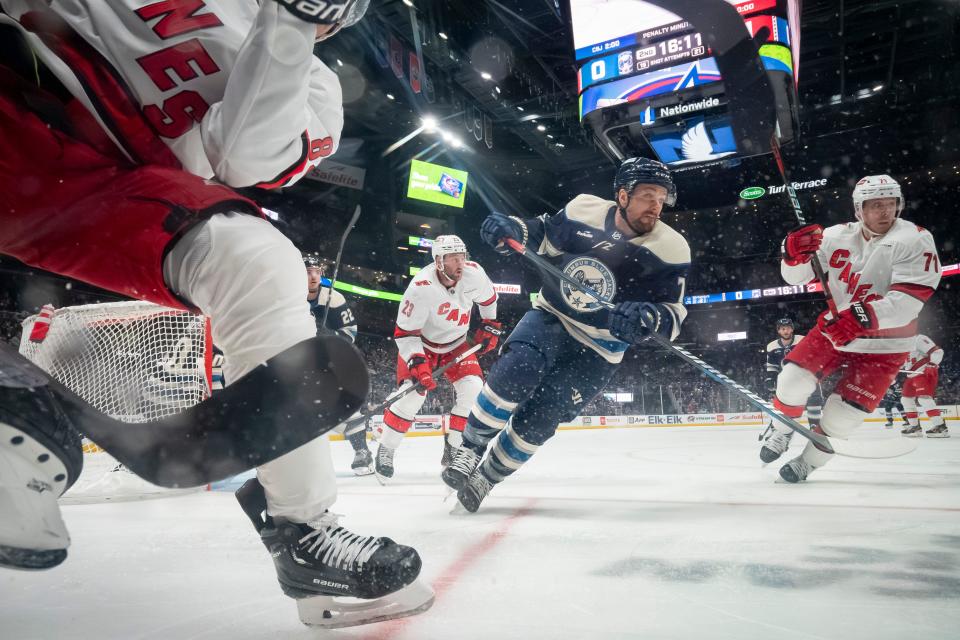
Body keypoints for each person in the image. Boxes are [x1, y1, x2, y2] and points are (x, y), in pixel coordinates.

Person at [0, 0, 431, 625]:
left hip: (98, 178)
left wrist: (291, 21)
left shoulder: (316, 85)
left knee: (255, 260)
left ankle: (302, 532)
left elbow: (234, 160)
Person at [442, 157, 690, 512]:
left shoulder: (672, 247)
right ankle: (469, 450)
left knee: (544, 416)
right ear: (622, 195)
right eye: (647, 195)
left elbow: (674, 314)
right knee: (517, 369)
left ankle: (487, 478)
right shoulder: (583, 210)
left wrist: (647, 317)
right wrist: (513, 229)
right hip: (553, 314)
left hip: (602, 347)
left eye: (661, 197)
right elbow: (541, 234)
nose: (656, 205)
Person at [758, 175, 941, 482]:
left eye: (890, 204)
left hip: (886, 344)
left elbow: (909, 301)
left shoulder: (916, 238)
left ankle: (808, 462)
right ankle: (781, 430)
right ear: (859, 209)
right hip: (836, 330)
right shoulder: (834, 235)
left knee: (842, 419)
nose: (885, 211)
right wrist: (791, 254)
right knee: (790, 382)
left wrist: (859, 316)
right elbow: (796, 277)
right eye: (875, 205)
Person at [375, 235, 501, 483]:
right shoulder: (421, 287)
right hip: (422, 345)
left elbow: (489, 299)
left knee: (474, 391)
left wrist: (490, 324)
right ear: (438, 261)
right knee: (413, 395)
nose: (460, 263)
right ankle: (386, 448)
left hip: (456, 345)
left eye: (462, 256)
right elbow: (405, 334)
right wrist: (417, 363)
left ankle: (453, 449)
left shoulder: (474, 273)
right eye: (453, 258)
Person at [303, 252, 374, 474]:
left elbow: (350, 333)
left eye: (316, 272)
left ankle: (362, 451)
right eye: (307, 273)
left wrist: (330, 334)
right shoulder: (288, 299)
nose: (313, 277)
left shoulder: (334, 298)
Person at [757, 317, 823, 463]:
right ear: (778, 330)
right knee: (784, 406)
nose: (785, 330)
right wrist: (770, 378)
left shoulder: (802, 340)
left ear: (792, 329)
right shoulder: (772, 346)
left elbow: (814, 354)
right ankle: (781, 432)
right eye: (782, 328)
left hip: (806, 375)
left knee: (814, 398)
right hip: (787, 381)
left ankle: (815, 427)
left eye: (787, 328)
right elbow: (772, 366)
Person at [900, 334, 949, 438]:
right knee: (906, 400)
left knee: (924, 399)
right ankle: (915, 427)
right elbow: (904, 363)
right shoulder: (902, 344)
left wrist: (932, 364)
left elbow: (937, 351)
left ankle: (940, 427)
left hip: (923, 372)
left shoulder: (918, 338)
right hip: (911, 375)